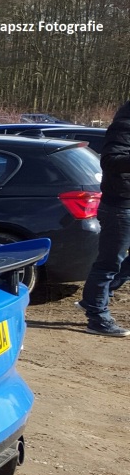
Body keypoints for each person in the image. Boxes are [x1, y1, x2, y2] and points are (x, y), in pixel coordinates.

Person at [77, 100, 130, 336]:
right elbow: (110, 161)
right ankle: (97, 316)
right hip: (119, 205)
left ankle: (95, 298)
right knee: (109, 262)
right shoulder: (123, 126)